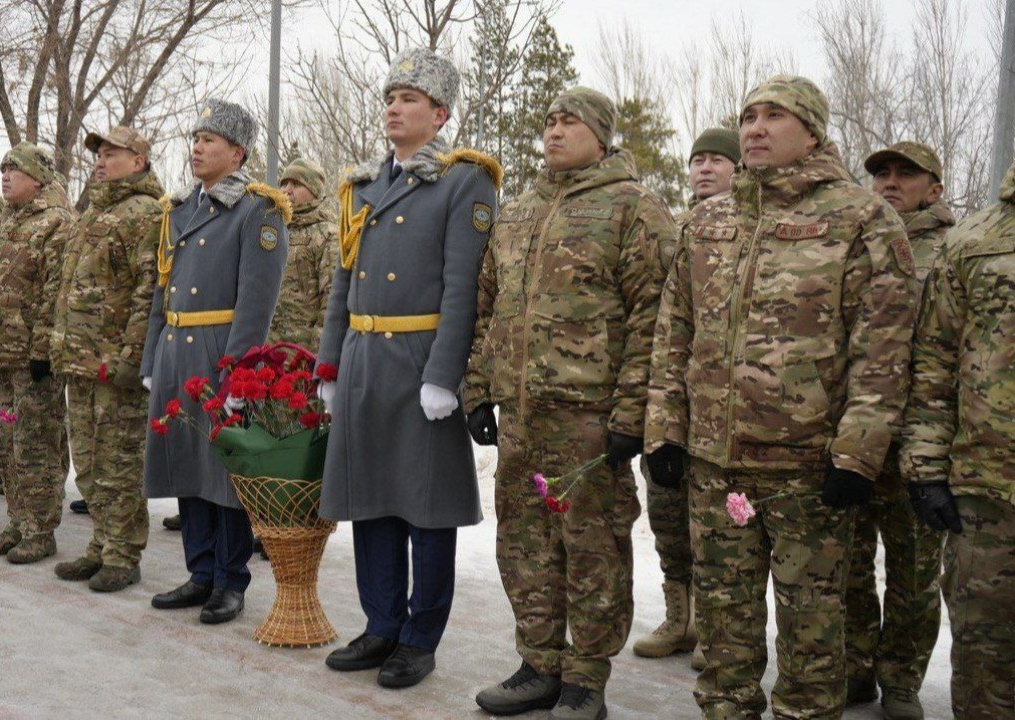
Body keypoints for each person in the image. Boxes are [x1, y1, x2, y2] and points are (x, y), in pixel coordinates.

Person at [644, 75, 916, 719]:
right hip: (717, 468)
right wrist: (665, 429)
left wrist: (856, 455)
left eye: (774, 117)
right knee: (724, 634)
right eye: (748, 117)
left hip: (807, 470)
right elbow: (673, 332)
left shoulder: (862, 219)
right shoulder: (709, 220)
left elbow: (883, 351)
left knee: (812, 641)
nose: (755, 129)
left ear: (813, 131)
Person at [466, 87, 674, 719]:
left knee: (592, 549)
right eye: (550, 120)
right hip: (522, 417)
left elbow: (654, 320)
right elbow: (489, 307)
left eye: (570, 122)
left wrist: (632, 414)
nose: (554, 131)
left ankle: (586, 677)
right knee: (524, 546)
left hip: (590, 420)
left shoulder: (633, 208)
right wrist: (479, 387)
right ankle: (538, 663)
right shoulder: (521, 211)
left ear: (602, 134)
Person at [316, 48, 499, 689]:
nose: (394, 107)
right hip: (366, 360)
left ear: (440, 113)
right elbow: (343, 283)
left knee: (426, 505)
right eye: (391, 97)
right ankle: (380, 624)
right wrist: (330, 364)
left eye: (410, 99)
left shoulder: (463, 180)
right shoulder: (362, 185)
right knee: (371, 498)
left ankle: (420, 638)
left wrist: (443, 376)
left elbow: (462, 288)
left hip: (420, 361)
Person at [143, 100, 288, 624]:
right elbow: (163, 288)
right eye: (195, 138)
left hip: (219, 351)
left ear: (237, 151)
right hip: (178, 350)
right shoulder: (180, 207)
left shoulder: (257, 210)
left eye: (210, 140)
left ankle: (230, 581)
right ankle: (199, 571)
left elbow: (257, 301)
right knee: (186, 462)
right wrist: (151, 354)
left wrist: (239, 374)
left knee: (223, 474)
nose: (197, 148)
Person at [843, 141, 954, 719]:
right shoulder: (853, 244)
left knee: (913, 569)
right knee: (851, 561)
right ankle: (856, 668)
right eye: (881, 172)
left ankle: (903, 679)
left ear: (934, 189)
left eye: (905, 174)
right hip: (855, 434)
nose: (890, 181)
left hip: (918, 438)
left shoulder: (953, 252)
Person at [902, 159, 1015, 720]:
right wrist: (924, 463)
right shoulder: (975, 242)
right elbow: (935, 362)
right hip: (990, 493)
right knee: (986, 658)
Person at [634, 126, 739, 669]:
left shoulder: (753, 227)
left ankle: (721, 625)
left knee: (723, 527)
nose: (703, 168)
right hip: (670, 396)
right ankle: (680, 619)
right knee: (668, 513)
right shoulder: (670, 227)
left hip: (728, 409)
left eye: (717, 160)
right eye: (697, 159)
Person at [50, 126, 162, 592]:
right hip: (78, 359)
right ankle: (100, 543)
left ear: (138, 161)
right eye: (97, 152)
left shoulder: (147, 213)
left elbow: (148, 289)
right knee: (90, 463)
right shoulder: (93, 212)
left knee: (118, 463)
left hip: (113, 364)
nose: (100, 159)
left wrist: (132, 355)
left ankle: (123, 552)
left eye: (111, 153)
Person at [0, 142, 74, 564]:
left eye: (16, 170)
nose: (6, 176)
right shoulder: (1, 224)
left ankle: (40, 529)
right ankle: (17, 519)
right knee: (6, 442)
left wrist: (44, 348)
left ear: (38, 178)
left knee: (35, 443)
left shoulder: (54, 224)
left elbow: (55, 291)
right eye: (3, 169)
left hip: (31, 360)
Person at [268, 156, 339, 349]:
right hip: (265, 354)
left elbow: (332, 300)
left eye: (297, 184)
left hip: (300, 356)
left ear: (314, 191)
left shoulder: (327, 234)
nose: (287, 190)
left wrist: (318, 356)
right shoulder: (272, 230)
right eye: (284, 183)